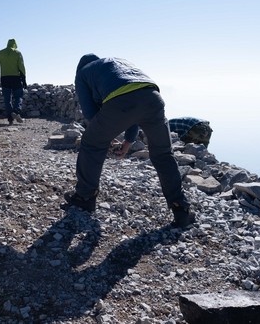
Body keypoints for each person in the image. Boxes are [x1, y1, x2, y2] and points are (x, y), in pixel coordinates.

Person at [64, 53, 195, 228]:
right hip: (153, 97)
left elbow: (90, 112)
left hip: (123, 101)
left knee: (91, 144)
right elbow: (133, 99)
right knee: (163, 154)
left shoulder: (83, 73)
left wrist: (103, 135)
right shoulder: (116, 64)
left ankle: (84, 198)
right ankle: (181, 210)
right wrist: (128, 142)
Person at [0, 38, 27, 125]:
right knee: (18, 96)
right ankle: (16, 110)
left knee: (7, 99)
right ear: (15, 44)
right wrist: (24, 80)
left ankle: (10, 118)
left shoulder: (1, 53)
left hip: (4, 78)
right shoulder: (17, 53)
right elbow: (21, 68)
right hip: (16, 78)